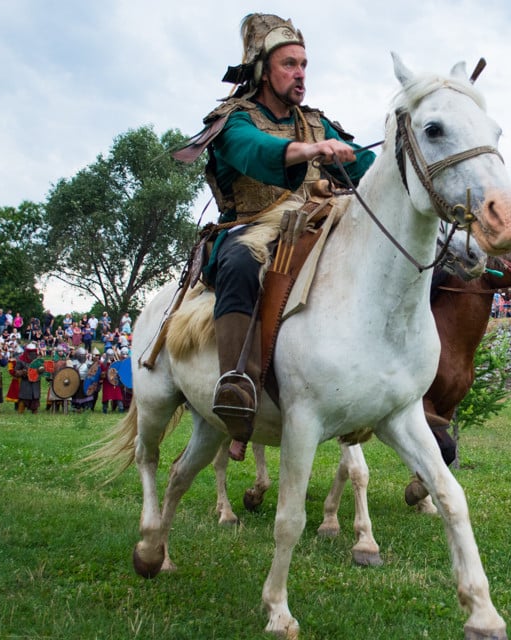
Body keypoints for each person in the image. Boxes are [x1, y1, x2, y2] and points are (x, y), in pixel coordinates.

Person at [175, 13, 376, 461]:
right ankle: (236, 385)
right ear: (263, 70)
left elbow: (364, 165)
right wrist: (311, 151)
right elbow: (255, 152)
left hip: (314, 220)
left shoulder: (316, 122)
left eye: (304, 64)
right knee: (242, 263)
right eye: (289, 64)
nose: (300, 73)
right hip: (249, 225)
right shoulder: (232, 120)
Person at [13, 343, 43, 414]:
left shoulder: (38, 360)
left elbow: (42, 370)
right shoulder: (21, 360)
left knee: (35, 398)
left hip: (35, 381)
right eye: (30, 351)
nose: (32, 354)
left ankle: (34, 411)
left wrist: (40, 370)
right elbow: (16, 372)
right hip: (25, 381)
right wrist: (22, 372)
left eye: (33, 351)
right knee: (24, 398)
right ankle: (20, 412)